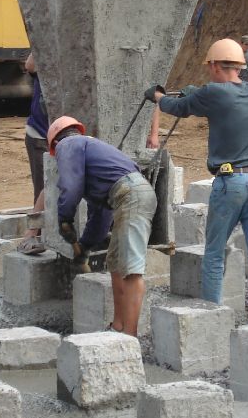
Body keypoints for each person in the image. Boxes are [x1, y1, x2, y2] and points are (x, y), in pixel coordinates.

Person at [146, 38, 248, 324]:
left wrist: (156, 97)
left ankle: (212, 323)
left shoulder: (213, 93)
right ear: (241, 66)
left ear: (215, 66)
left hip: (231, 184)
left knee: (214, 254)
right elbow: (222, 98)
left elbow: (176, 107)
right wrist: (198, 95)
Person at [49, 116, 157, 336]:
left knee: (131, 269)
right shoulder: (94, 156)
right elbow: (101, 215)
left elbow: (71, 187)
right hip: (128, 194)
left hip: (131, 195)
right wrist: (85, 246)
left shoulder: (68, 145)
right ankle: (117, 327)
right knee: (116, 264)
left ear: (54, 144)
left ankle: (129, 338)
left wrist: (65, 218)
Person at [18, 52, 49, 254]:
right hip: (40, 134)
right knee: (43, 187)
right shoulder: (46, 56)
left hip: (64, 136)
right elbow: (30, 65)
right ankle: (33, 236)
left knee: (52, 185)